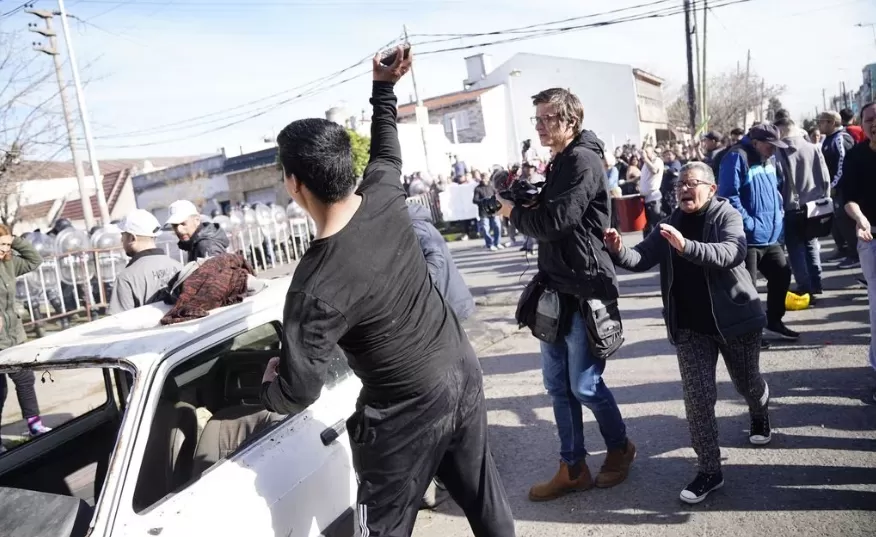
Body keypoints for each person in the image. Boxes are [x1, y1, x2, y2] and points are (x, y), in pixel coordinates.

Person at [260, 47, 515, 536]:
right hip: (459, 367)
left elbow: (298, 390)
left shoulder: (315, 284)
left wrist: (269, 385)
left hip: (404, 412)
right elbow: (386, 146)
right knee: (484, 498)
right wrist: (383, 86)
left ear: (295, 184)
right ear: (344, 165)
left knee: (384, 527)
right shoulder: (383, 193)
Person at [604, 162, 771, 504]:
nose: (683, 189)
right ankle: (710, 470)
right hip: (691, 328)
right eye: (679, 183)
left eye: (691, 183)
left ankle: (759, 409)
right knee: (698, 401)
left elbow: (731, 252)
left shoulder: (727, 215)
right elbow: (641, 258)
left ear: (711, 189)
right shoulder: (670, 223)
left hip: (735, 322)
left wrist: (687, 248)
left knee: (747, 384)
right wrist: (618, 249)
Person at [497, 87, 635, 501]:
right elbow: (556, 213)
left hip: (586, 288)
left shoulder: (583, 159)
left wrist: (513, 212)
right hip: (557, 287)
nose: (538, 126)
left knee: (585, 386)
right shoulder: (562, 159)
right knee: (557, 386)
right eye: (536, 119)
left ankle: (619, 448)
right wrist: (529, 198)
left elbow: (556, 221)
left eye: (546, 119)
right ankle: (572, 466)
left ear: (569, 122)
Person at [718, 124, 798, 341]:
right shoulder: (737, 158)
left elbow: (776, 189)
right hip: (748, 237)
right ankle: (750, 333)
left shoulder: (769, 159)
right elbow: (728, 196)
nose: (773, 150)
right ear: (755, 143)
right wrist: (749, 223)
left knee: (781, 275)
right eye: (769, 145)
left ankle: (774, 320)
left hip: (770, 236)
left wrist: (778, 216)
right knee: (748, 289)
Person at [0, 228, 50, 453]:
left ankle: (34, 425)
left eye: (7, 245)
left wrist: (14, 240)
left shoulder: (9, 263)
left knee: (25, 379)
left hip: (14, 335)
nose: (5, 249)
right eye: (1, 245)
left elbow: (35, 260)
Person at [840, 102, 876, 402]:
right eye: (869, 119)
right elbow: (848, 198)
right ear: (862, 125)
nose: (874, 123)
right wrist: (861, 219)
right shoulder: (855, 156)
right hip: (871, 239)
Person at [774, 117, 831, 299]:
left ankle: (804, 286)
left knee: (796, 249)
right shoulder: (813, 148)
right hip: (814, 206)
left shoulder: (779, 152)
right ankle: (817, 282)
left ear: (781, 131)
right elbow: (825, 177)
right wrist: (825, 198)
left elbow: (778, 181)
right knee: (811, 244)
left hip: (792, 206)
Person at [109, 210, 183, 315]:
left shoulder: (126, 278)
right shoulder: (179, 266)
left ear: (132, 238)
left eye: (123, 235)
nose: (121, 240)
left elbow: (119, 322)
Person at [819, 110, 858, 269]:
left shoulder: (841, 139)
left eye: (822, 121)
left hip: (842, 189)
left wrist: (834, 185)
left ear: (832, 122)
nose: (819, 124)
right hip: (832, 189)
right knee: (835, 222)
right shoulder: (828, 140)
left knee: (845, 221)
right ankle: (843, 249)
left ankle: (855, 255)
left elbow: (844, 165)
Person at [165, 200, 230, 262]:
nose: (179, 230)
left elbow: (219, 272)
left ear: (197, 220)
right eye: (175, 225)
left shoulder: (207, 247)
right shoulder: (194, 243)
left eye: (183, 224)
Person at [639, 144, 665, 237]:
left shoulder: (657, 161)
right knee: (647, 226)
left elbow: (654, 170)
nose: (644, 154)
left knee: (655, 224)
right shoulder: (645, 164)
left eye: (647, 152)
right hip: (646, 198)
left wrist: (645, 159)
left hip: (654, 198)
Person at [472, 173, 503, 251]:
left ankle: (497, 242)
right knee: (485, 229)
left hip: (493, 210)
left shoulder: (492, 187)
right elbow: (475, 200)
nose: (484, 180)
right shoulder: (478, 189)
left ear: (488, 178)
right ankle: (489, 244)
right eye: (482, 178)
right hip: (484, 212)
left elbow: (498, 197)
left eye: (485, 178)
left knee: (497, 227)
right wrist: (484, 200)